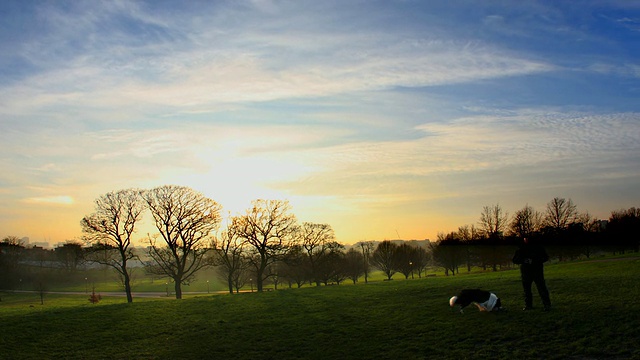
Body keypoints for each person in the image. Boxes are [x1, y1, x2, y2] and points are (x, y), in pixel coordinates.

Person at [512, 237, 551, 311]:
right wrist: (523, 260)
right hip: (526, 272)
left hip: (537, 271)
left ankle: (547, 305)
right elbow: (515, 260)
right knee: (527, 291)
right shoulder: (521, 249)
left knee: (542, 289)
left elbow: (545, 257)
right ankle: (528, 305)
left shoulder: (538, 248)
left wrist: (535, 261)